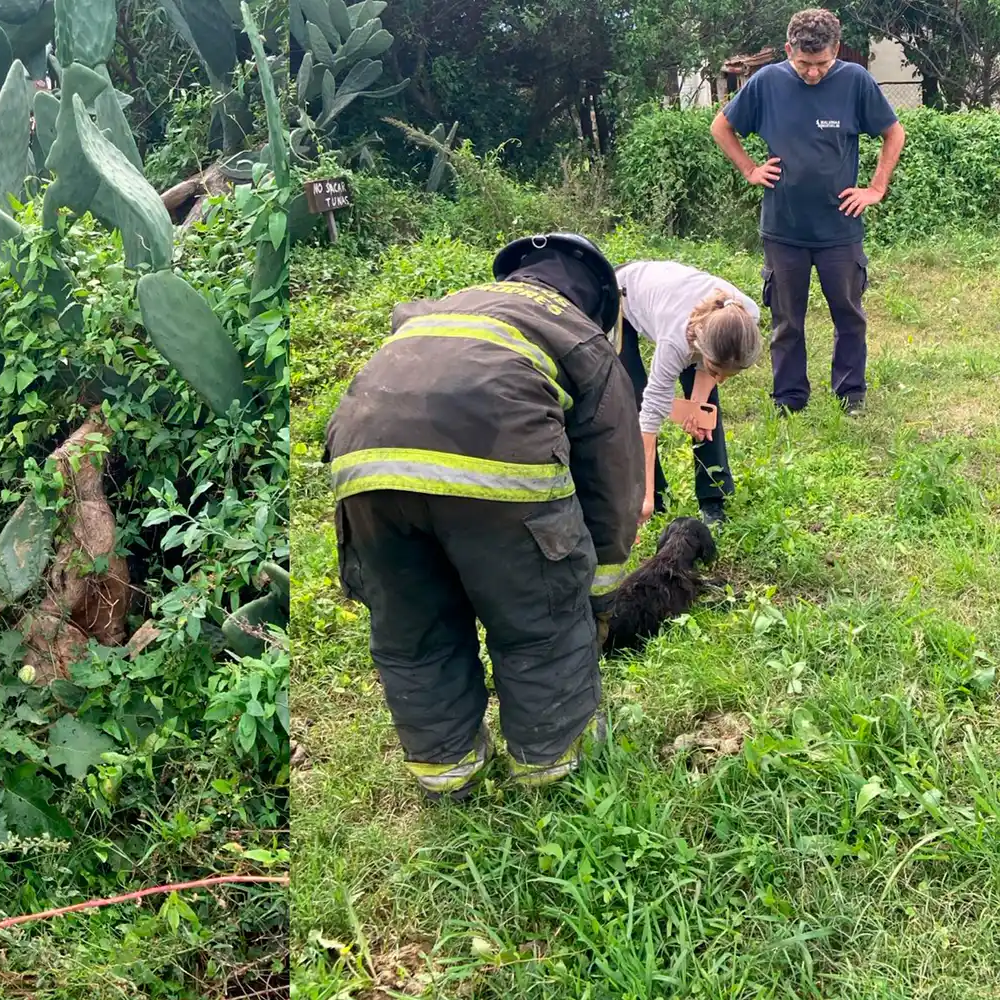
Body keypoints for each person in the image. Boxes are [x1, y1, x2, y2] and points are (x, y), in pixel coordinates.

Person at [323, 233, 645, 802]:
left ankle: (448, 778)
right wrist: (595, 593)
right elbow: (613, 480)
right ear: (599, 299)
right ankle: (555, 777)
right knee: (540, 626)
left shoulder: (438, 308)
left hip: (363, 469)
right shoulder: (580, 336)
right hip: (499, 473)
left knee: (413, 634)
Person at [709, 7, 905, 416]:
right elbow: (721, 126)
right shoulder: (766, 83)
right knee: (786, 321)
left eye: (822, 63)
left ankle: (850, 396)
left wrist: (876, 188)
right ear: (788, 50)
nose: (813, 72)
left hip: (840, 228)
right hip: (784, 228)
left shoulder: (855, 81)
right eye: (803, 63)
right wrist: (749, 168)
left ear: (836, 50)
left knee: (849, 316)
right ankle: (789, 399)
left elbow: (893, 131)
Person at [615, 260, 762, 528]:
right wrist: (643, 496)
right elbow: (648, 422)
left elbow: (712, 375)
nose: (722, 379)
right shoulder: (676, 342)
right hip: (623, 297)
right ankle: (655, 500)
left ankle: (712, 498)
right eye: (717, 370)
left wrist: (697, 404)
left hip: (682, 304)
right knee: (634, 401)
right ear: (700, 347)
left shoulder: (745, 318)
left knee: (705, 412)